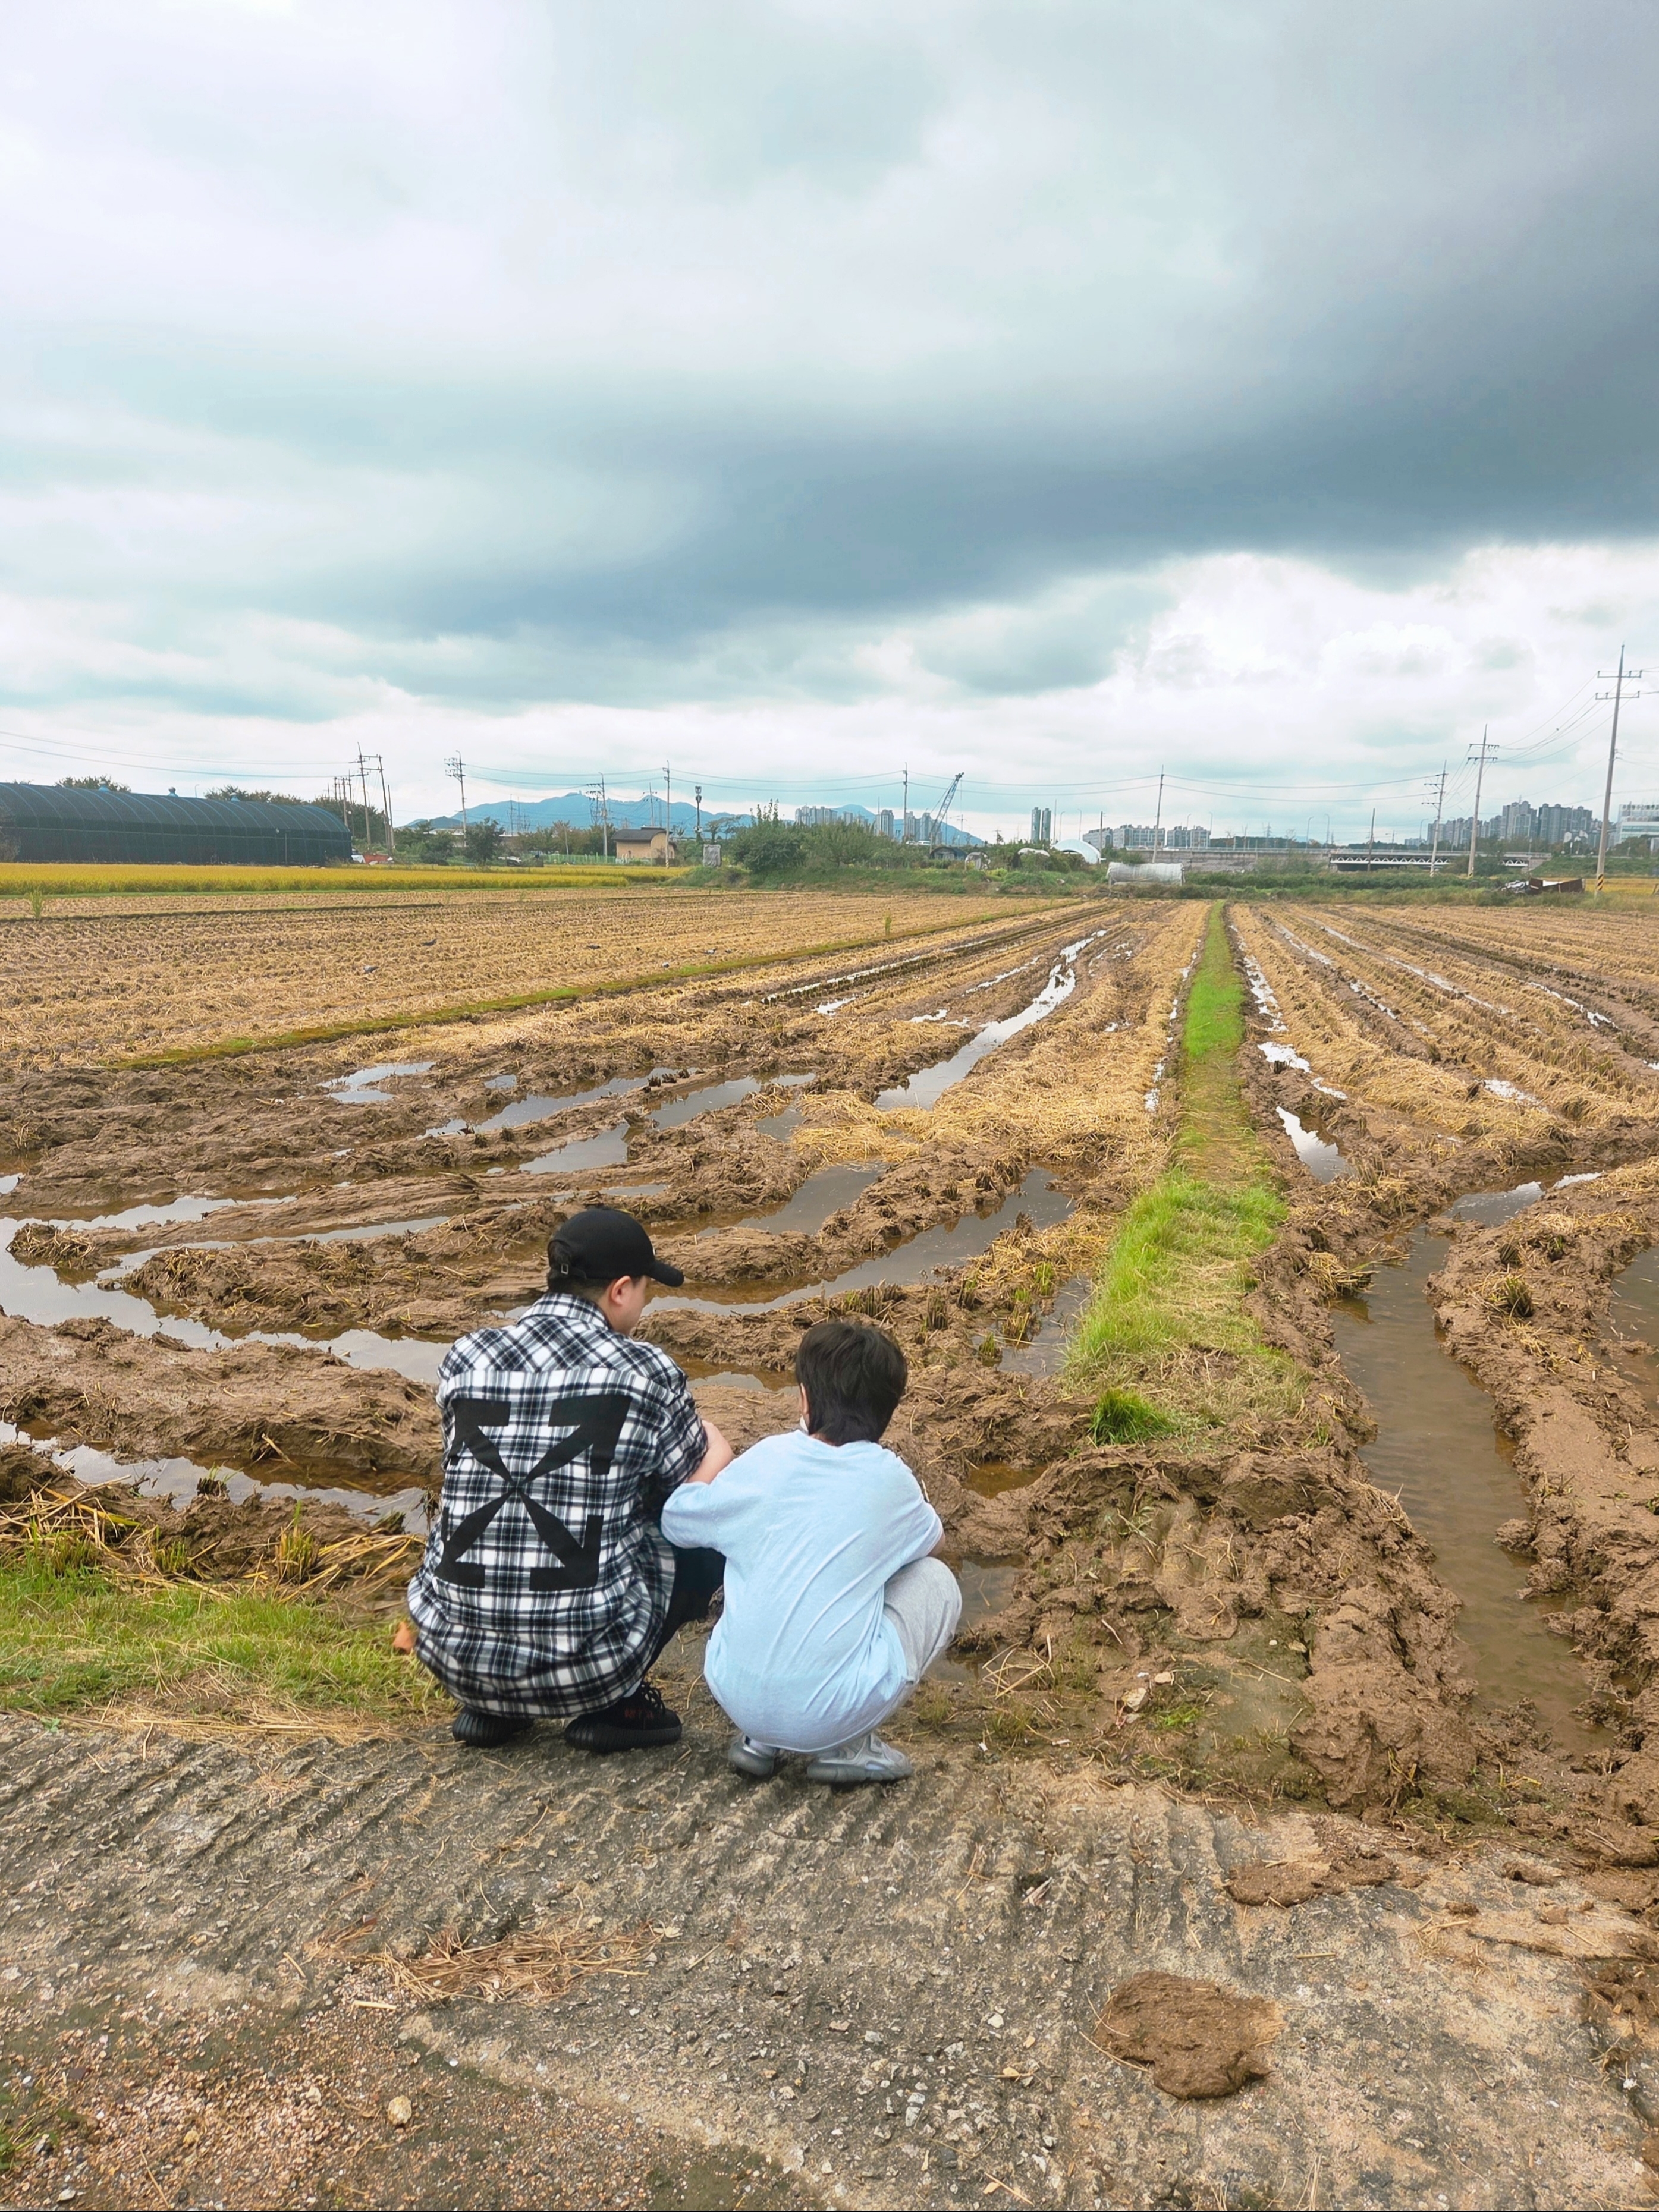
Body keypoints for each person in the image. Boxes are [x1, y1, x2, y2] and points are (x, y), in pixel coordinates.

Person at [407, 1206, 731, 1752]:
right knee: (701, 1526)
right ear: (621, 1290)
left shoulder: (466, 1356)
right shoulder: (645, 1370)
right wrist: (718, 1444)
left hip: (452, 1659)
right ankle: (617, 1704)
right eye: (646, 1290)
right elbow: (689, 1489)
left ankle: (493, 1705)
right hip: (591, 1671)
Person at [660, 1316, 961, 1786]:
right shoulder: (890, 1478)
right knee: (936, 1581)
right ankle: (850, 1745)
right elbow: (934, 1543)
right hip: (829, 1714)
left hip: (733, 1691)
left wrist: (718, 1455)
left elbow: (676, 1520)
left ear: (805, 1399)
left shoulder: (766, 1458)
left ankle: (760, 1739)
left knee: (747, 1547)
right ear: (888, 1408)